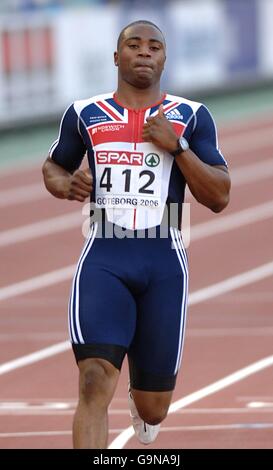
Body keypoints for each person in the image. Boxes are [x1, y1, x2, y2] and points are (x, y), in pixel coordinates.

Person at [42, 20, 231, 449]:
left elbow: (219, 196)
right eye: (133, 44)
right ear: (116, 57)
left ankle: (141, 401)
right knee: (92, 380)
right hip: (104, 258)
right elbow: (54, 166)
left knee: (154, 407)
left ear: (164, 58)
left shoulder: (190, 116)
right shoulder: (84, 113)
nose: (144, 53)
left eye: (154, 47)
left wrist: (177, 148)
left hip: (164, 262)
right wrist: (63, 184)